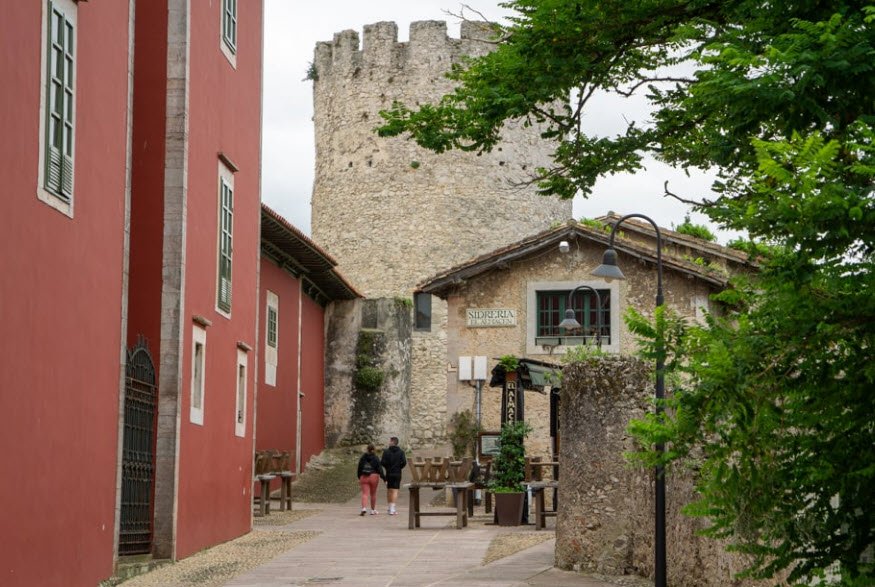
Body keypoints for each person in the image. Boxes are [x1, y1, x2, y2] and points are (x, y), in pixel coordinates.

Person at [380, 436, 407, 516]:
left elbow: (382, 462)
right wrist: (399, 467)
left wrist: (387, 467)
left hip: (389, 473)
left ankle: (389, 507)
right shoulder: (401, 452)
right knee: (395, 490)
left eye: (390, 441)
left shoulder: (386, 452)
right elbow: (404, 462)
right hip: (397, 473)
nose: (389, 442)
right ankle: (392, 508)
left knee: (389, 490)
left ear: (393, 442)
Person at [357, 444, 384, 515]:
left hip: (364, 476)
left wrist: (359, 477)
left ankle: (363, 508)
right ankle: (373, 510)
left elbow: (359, 468)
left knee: (365, 494)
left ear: (367, 449)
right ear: (374, 449)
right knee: (373, 494)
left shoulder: (363, 457)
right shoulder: (376, 458)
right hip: (374, 477)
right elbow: (379, 469)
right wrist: (384, 478)